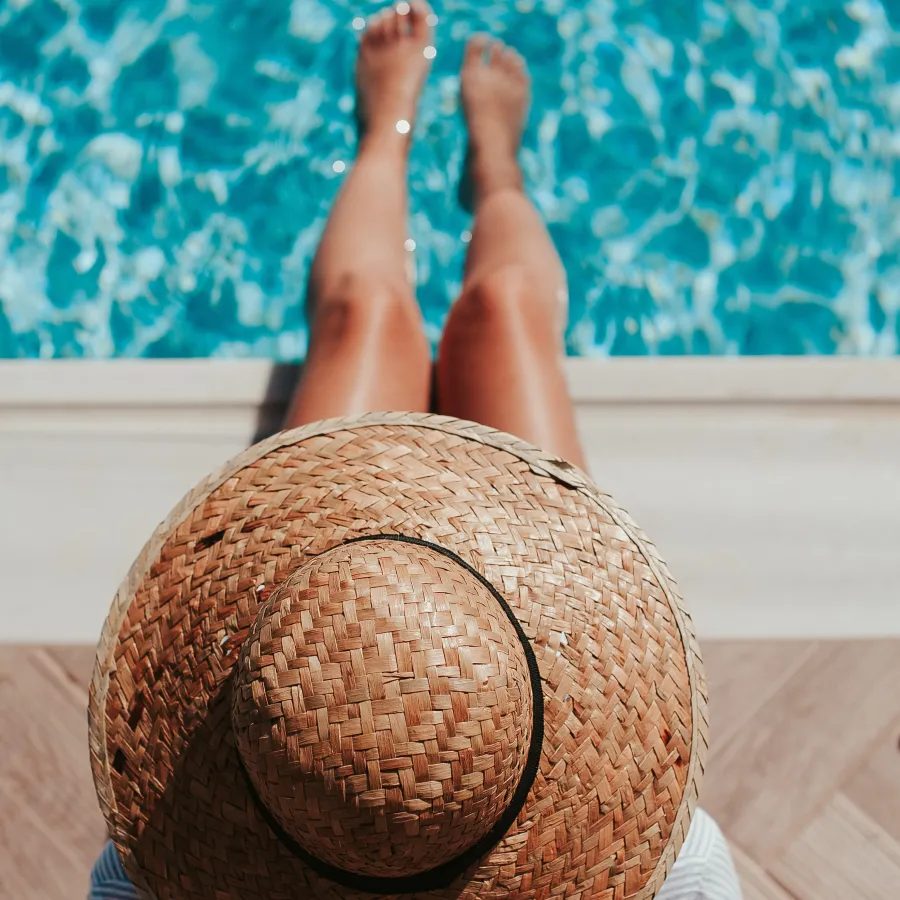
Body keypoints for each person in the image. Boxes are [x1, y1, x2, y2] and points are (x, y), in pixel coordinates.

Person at [89, 4, 741, 898]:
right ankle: (495, 169)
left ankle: (386, 140)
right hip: (497, 646)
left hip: (346, 606)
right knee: (504, 310)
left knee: (364, 312)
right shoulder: (677, 873)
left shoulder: (141, 879)